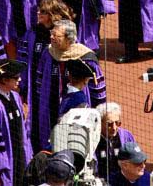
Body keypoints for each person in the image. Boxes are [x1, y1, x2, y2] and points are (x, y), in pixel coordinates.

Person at [33, 20, 106, 151]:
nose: (51, 37)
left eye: (56, 35)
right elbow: (39, 79)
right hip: (50, 108)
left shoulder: (86, 57)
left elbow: (98, 90)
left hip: (78, 108)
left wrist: (98, 111)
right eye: (52, 33)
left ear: (69, 39)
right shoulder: (48, 53)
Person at [16, 0, 74, 150]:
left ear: (52, 14)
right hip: (37, 91)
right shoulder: (31, 34)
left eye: (42, 11)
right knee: (37, 125)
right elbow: (22, 60)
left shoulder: (65, 34)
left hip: (61, 89)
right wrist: (22, 87)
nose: (38, 13)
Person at [95, 102, 136, 181]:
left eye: (117, 123)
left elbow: (136, 158)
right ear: (100, 123)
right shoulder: (93, 139)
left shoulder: (126, 136)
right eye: (109, 124)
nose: (114, 128)